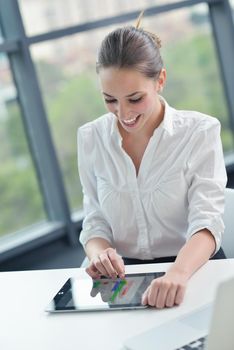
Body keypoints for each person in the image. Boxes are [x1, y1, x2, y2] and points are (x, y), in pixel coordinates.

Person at [77, 13, 227, 309]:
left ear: (160, 80)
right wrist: (99, 254)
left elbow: (207, 222)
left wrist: (178, 274)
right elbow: (94, 220)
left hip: (193, 270)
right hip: (125, 279)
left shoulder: (200, 132)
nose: (123, 113)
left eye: (134, 99)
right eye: (110, 99)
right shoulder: (91, 138)